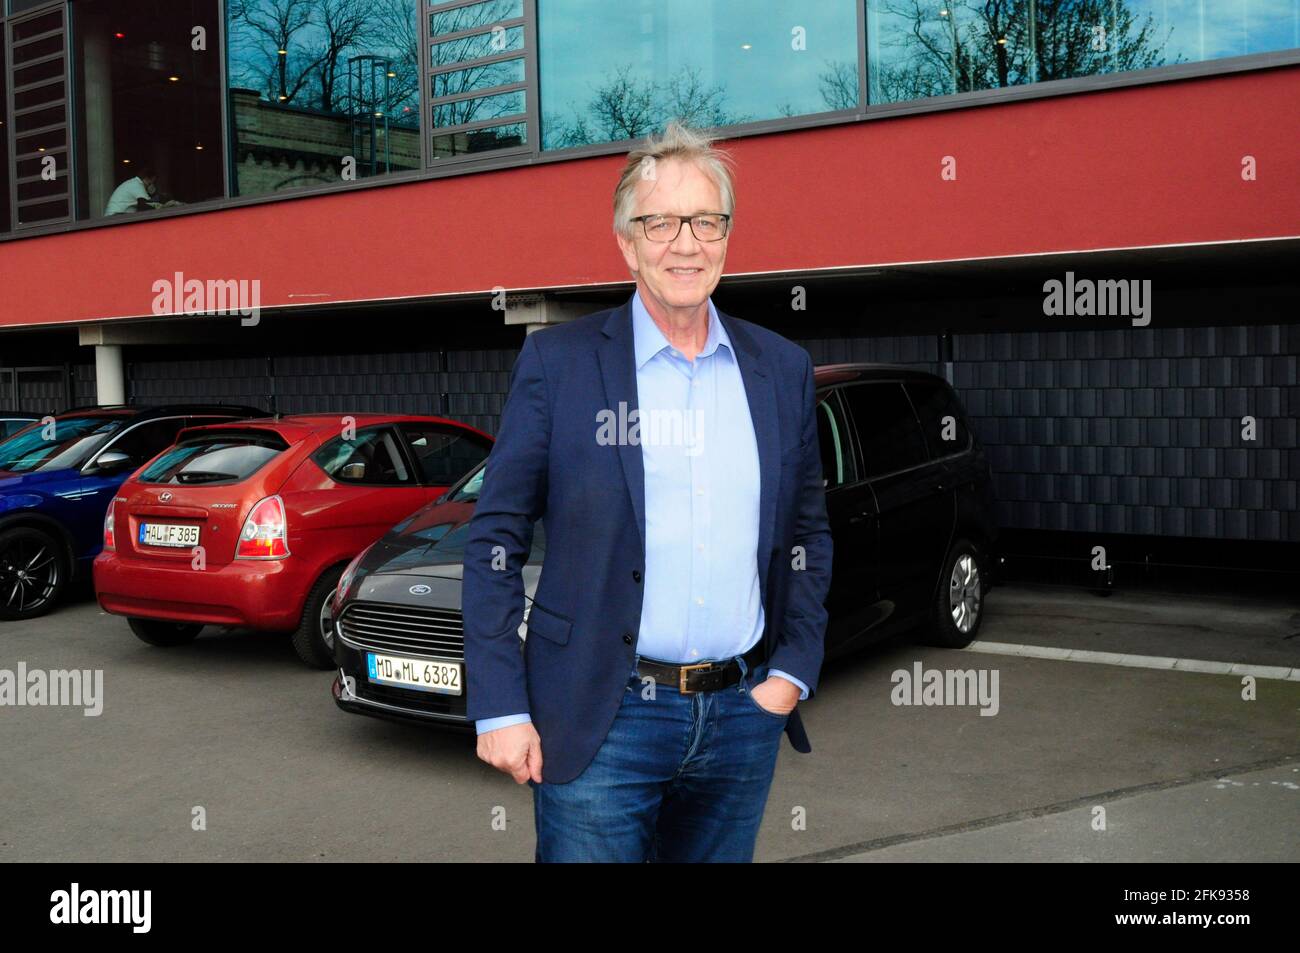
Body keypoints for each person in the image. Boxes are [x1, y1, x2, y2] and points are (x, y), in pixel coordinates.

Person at [462, 121, 833, 863]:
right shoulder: (559, 365)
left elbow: (807, 534)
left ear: (727, 237)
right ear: (627, 243)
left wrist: (790, 672)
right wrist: (499, 704)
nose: (685, 243)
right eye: (660, 222)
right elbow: (494, 538)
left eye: (705, 221)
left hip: (741, 714)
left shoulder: (780, 368)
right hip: (604, 715)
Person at [104, 165, 179, 216]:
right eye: (151, 182)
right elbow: (145, 205)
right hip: (116, 215)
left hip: (117, 215)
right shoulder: (137, 185)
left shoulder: (133, 183)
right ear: (146, 179)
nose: (152, 185)